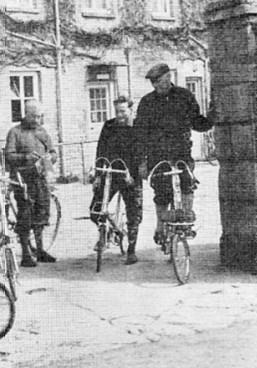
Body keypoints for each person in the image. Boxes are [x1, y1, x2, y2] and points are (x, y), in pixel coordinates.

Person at [134, 63, 214, 245]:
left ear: (169, 78)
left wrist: (211, 119)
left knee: (187, 183)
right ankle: (160, 225)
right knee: (161, 191)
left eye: (160, 81)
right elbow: (139, 134)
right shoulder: (147, 102)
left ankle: (186, 220)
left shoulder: (184, 96)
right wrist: (141, 162)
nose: (156, 86)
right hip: (157, 155)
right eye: (154, 83)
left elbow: (196, 121)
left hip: (181, 153)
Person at [89, 96, 143, 265]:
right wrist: (98, 174)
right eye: (117, 111)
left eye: (123, 111)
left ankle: (131, 251)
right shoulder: (109, 126)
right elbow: (101, 150)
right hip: (110, 173)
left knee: (134, 213)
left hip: (130, 175)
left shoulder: (138, 127)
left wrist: (134, 173)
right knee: (95, 210)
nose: (119, 115)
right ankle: (107, 232)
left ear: (130, 110)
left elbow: (142, 151)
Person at [5, 99, 58, 267]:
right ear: (26, 114)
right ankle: (26, 254)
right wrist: (26, 158)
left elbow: (53, 152)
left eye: (40, 116)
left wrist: (51, 158)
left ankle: (40, 249)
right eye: (34, 116)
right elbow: (9, 155)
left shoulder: (42, 131)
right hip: (22, 180)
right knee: (25, 216)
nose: (37, 120)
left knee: (42, 213)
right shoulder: (15, 132)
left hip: (40, 178)